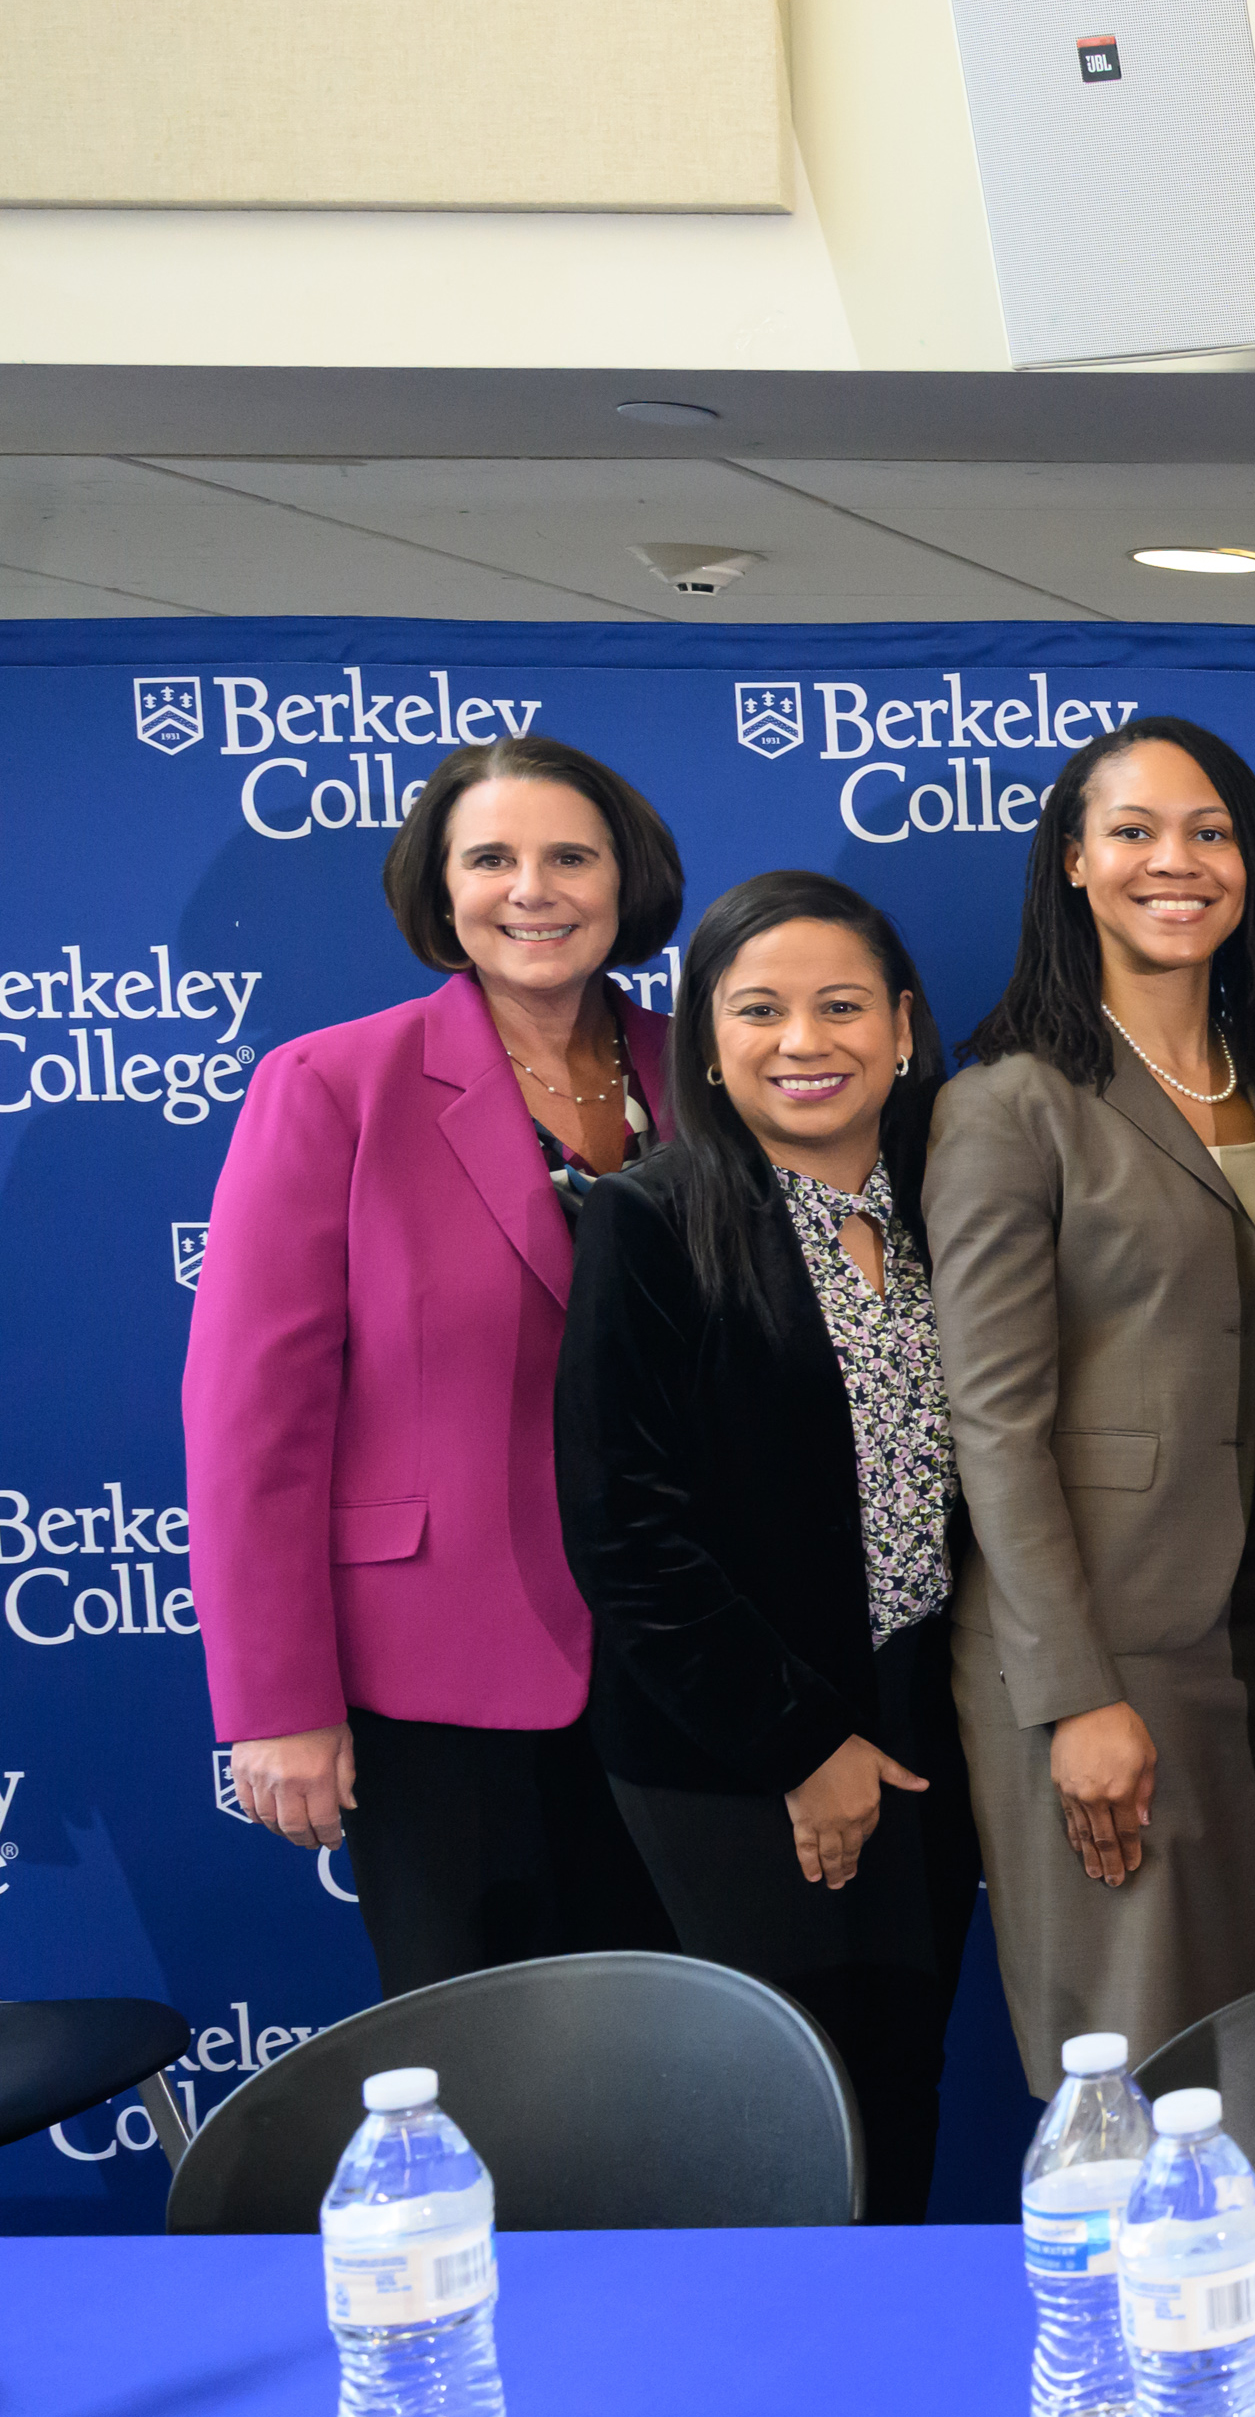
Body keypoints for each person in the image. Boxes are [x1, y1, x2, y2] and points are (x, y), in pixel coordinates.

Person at [187, 736, 683, 1996]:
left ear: (627, 881)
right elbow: (254, 1422)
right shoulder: (333, 1086)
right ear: (439, 887)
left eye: (571, 856)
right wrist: (275, 1702)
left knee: (687, 2075)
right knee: (487, 2078)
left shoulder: (708, 1074)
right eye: (493, 858)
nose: (534, 889)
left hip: (688, 1665)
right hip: (438, 1680)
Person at [558, 872, 977, 2224]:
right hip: (734, 1747)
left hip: (927, 1710)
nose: (805, 1040)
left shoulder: (948, 1211)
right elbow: (627, 1530)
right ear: (707, 1039)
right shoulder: (652, 1216)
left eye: (841, 1004)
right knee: (790, 2118)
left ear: (904, 1028)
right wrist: (801, 1744)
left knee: (901, 2084)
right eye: (760, 1010)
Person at [930, 719, 1255, 2092]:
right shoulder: (1010, 1103)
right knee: (1124, 2059)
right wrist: (1072, 1693)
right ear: (1074, 862)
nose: (1177, 860)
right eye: (1136, 831)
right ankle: (1108, 2314)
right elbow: (990, 1423)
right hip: (1108, 1652)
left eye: (1210, 831)